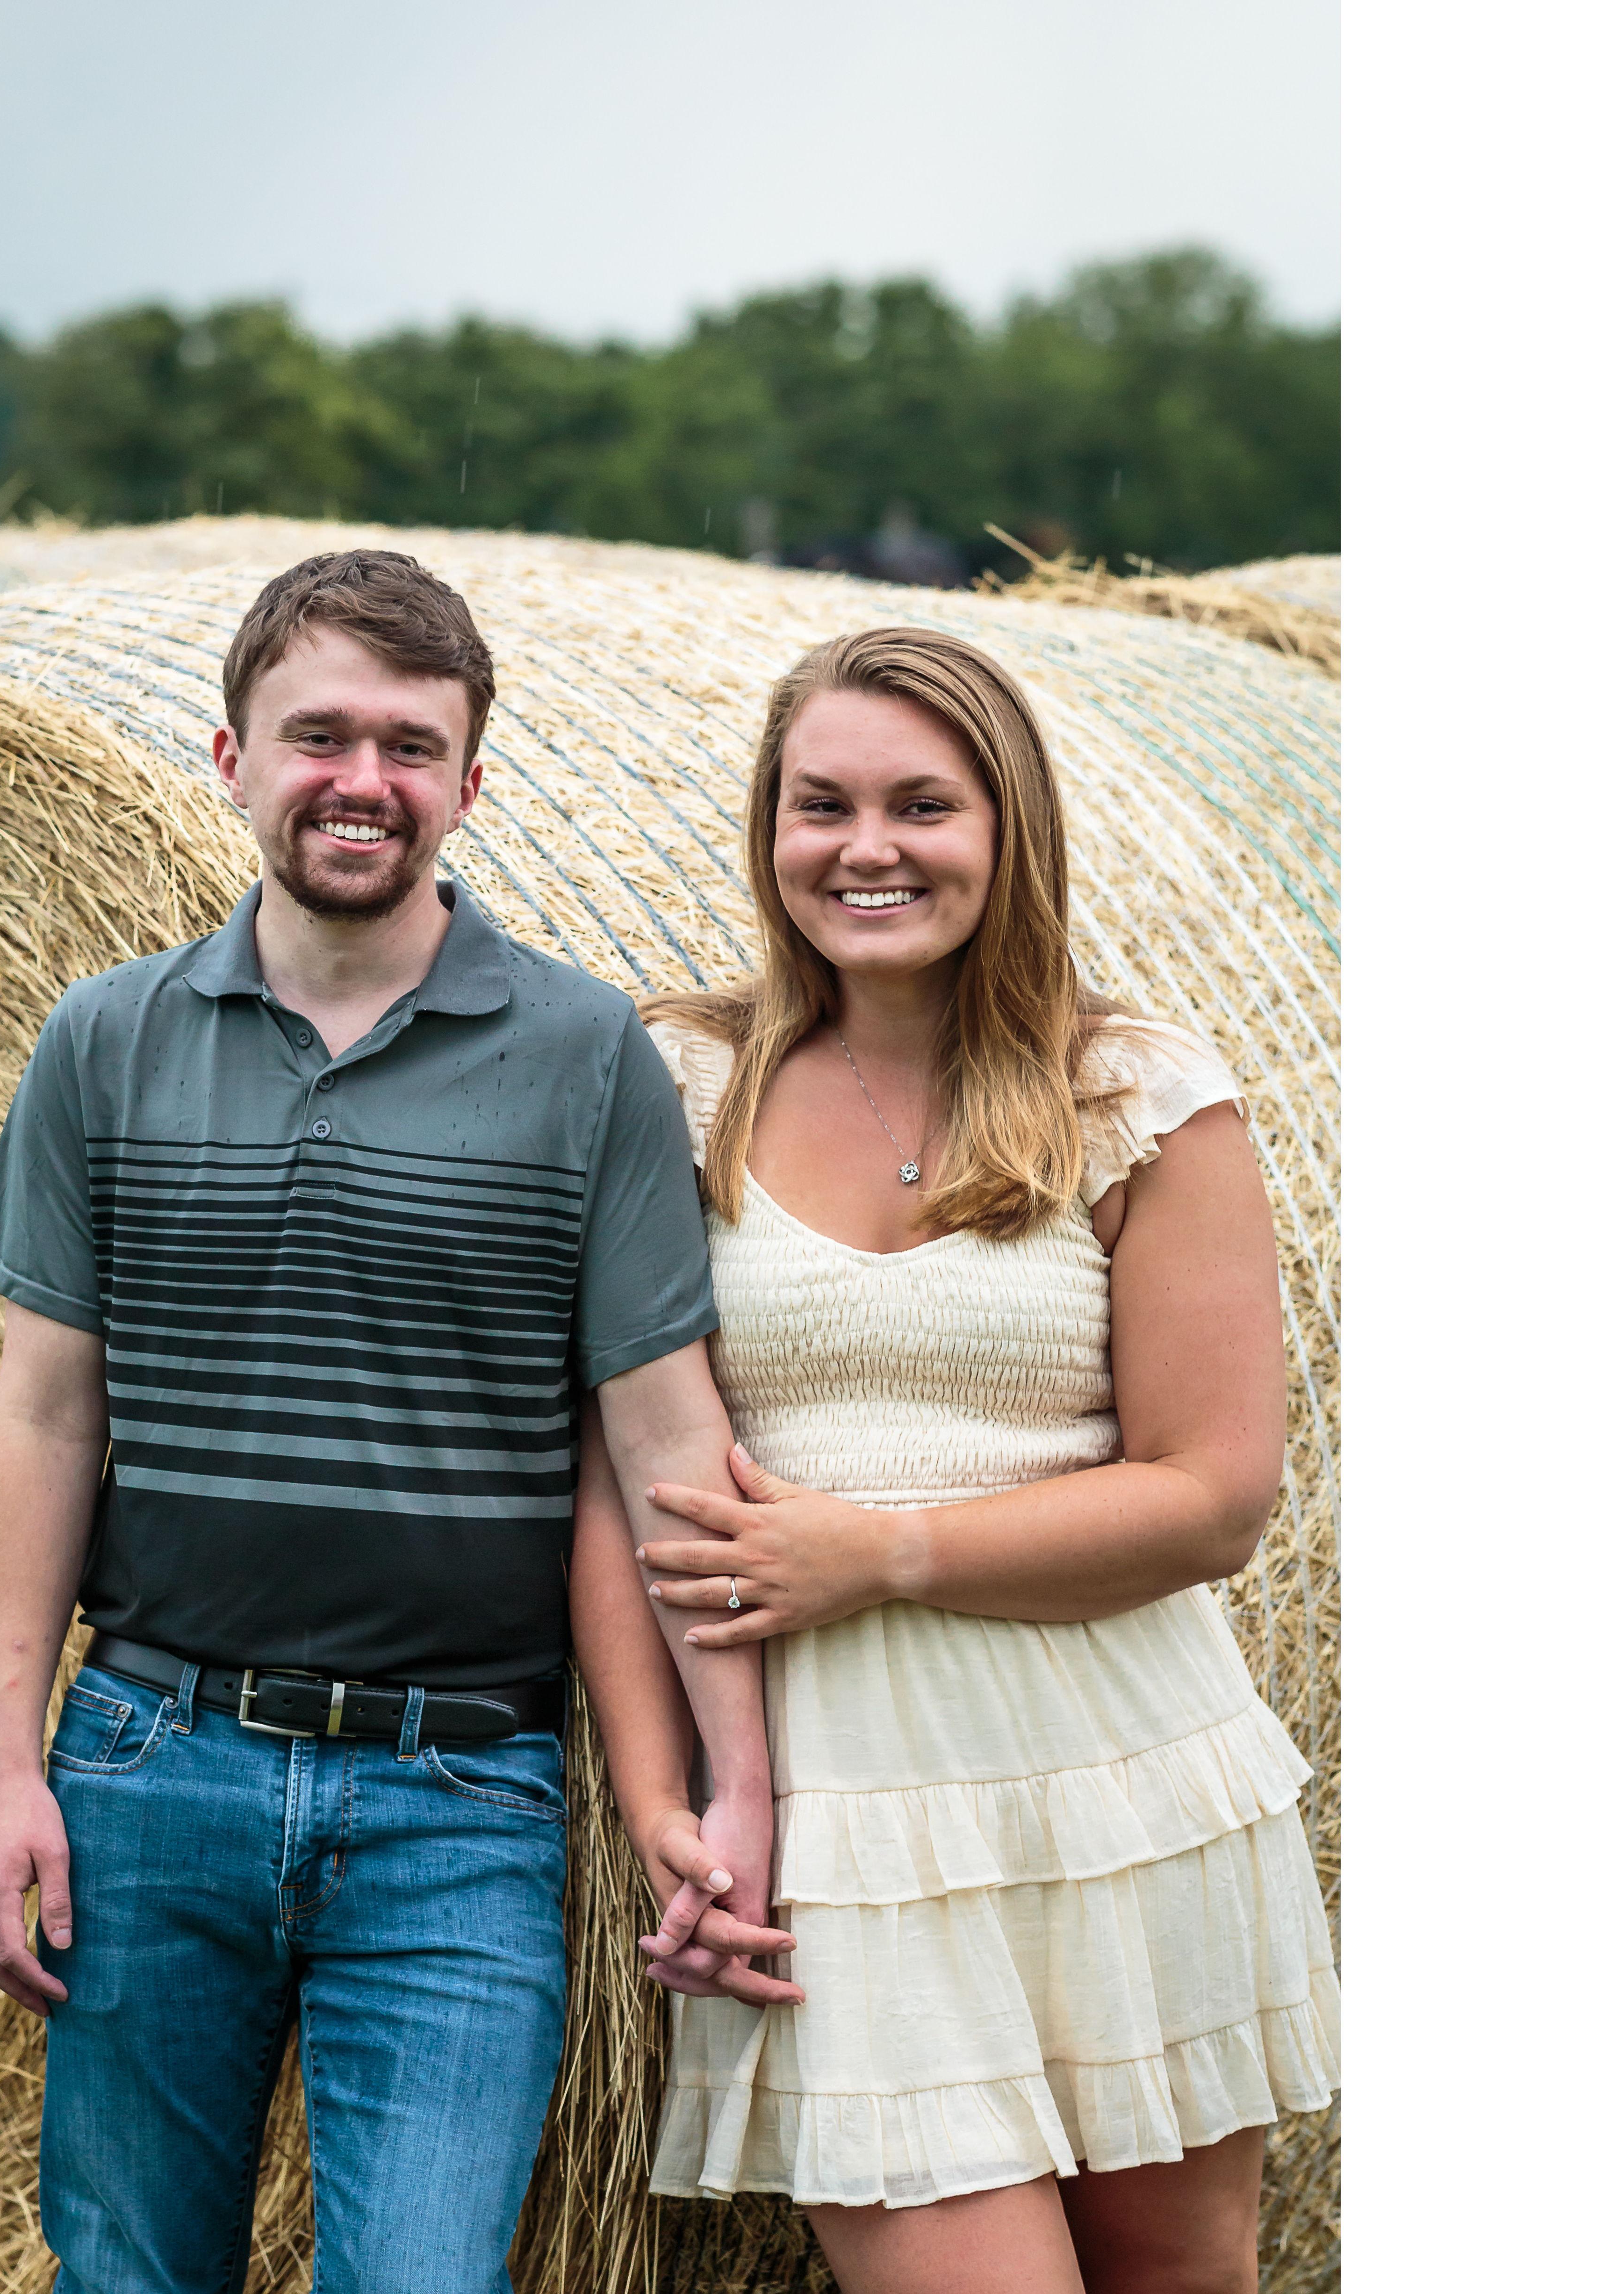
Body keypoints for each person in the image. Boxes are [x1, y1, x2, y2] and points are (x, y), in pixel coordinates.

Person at [0, 548, 797, 2294]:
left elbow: (664, 1447)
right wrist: (5, 1764)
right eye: (319, 734)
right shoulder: (103, 1040)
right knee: (128, 2273)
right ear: (231, 758)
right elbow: (42, 1415)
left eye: (412, 745)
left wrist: (740, 1791)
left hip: (457, 1801)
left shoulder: (585, 1055)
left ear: (469, 782)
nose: (364, 779)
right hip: (147, 1764)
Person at [578, 626, 1340, 2292]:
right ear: (770, 828)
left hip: (1127, 1783)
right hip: (845, 1817)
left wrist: (888, 1551)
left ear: (1009, 829)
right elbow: (619, 1485)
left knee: (1180, 2282)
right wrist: (657, 1797)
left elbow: (1214, 1494)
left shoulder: (1132, 1096)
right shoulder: (678, 1083)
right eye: (821, 804)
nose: (866, 848)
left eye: (922, 804)